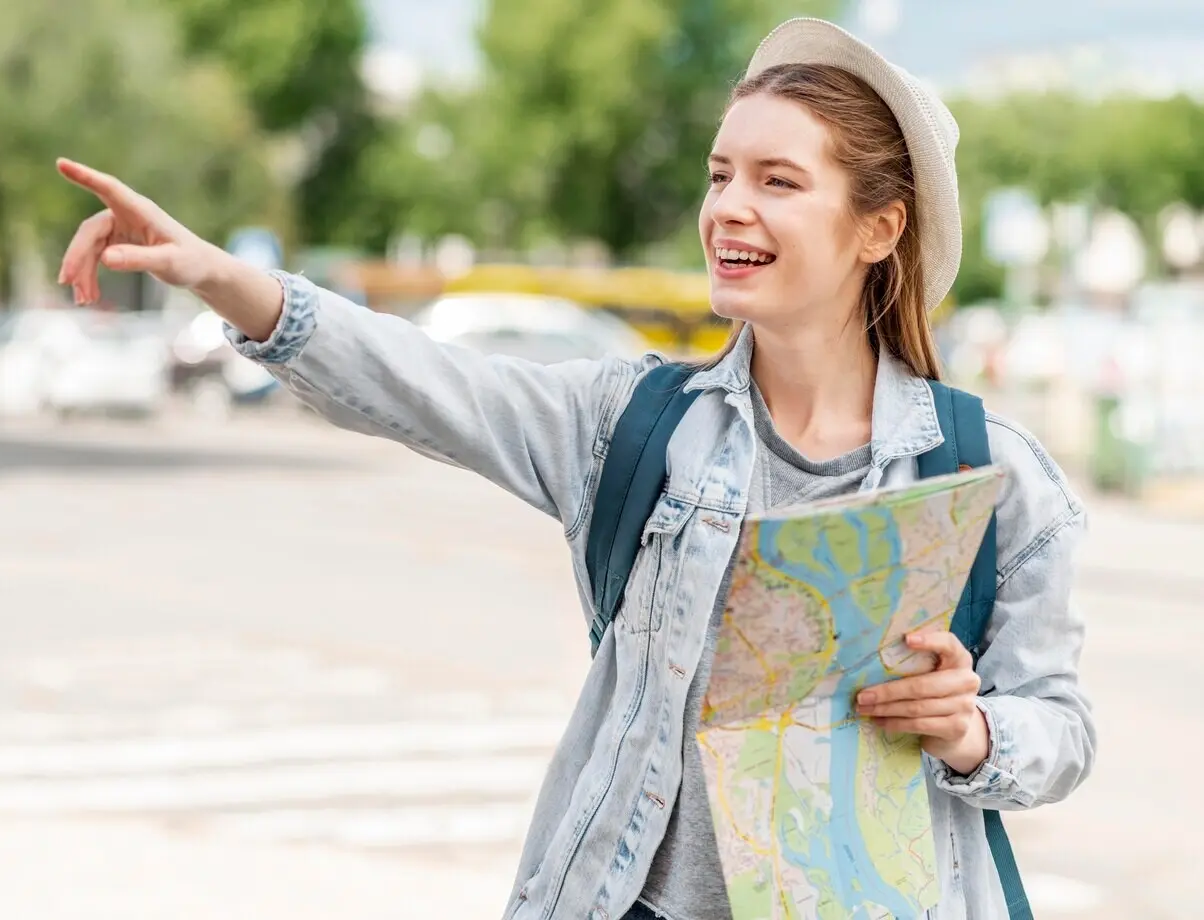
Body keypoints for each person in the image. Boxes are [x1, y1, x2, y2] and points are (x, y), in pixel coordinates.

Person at [55, 17, 1093, 920]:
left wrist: (972, 728)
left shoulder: (992, 475)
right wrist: (219, 276)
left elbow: (1059, 729)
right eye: (721, 174)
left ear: (880, 226)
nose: (731, 207)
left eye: (780, 181)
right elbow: (426, 380)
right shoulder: (634, 424)